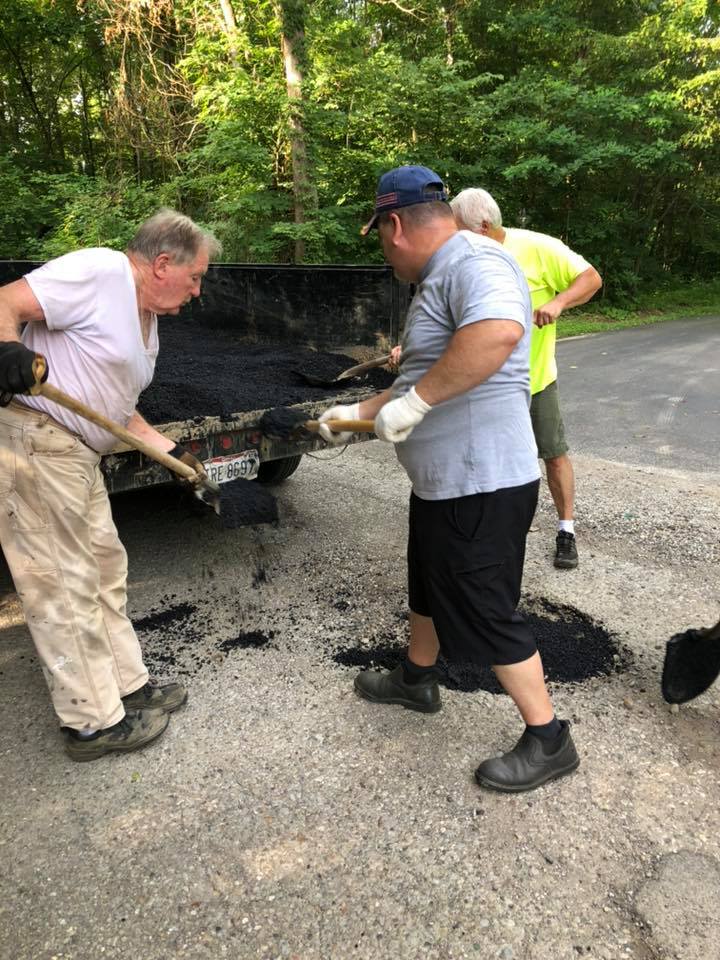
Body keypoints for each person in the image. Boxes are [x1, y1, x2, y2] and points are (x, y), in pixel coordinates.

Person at [319, 166, 579, 792]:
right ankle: (416, 679)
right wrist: (349, 417)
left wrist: (415, 404)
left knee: (485, 608)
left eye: (381, 239)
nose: (385, 254)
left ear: (395, 224)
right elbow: (415, 385)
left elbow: (498, 333)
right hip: (445, 483)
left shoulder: (473, 260)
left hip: (480, 481)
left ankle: (549, 739)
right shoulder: (441, 276)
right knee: (428, 585)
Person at [0, 208, 220, 761]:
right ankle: (91, 723)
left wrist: (175, 455)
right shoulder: (101, 271)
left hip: (78, 452)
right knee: (62, 580)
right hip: (37, 443)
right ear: (162, 263)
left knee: (103, 569)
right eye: (195, 277)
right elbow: (5, 302)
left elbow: (113, 411)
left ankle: (126, 684)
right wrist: (6, 349)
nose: (198, 291)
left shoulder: (146, 320)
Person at [449, 188, 602, 570]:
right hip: (485, 385)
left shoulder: (537, 248)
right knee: (489, 460)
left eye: (460, 231)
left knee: (553, 454)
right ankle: (493, 530)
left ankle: (566, 531)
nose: (455, 240)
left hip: (535, 381)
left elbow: (591, 278)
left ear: (484, 226)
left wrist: (558, 301)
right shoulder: (465, 260)